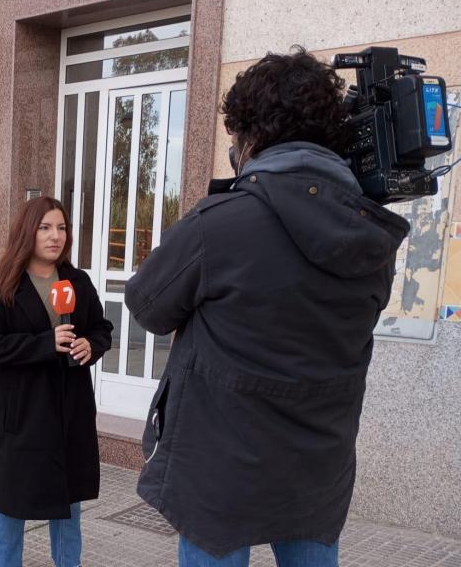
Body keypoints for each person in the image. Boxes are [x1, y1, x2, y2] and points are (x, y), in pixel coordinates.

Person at [126, 48, 410, 566]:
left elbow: (147, 306)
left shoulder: (221, 224)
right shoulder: (372, 234)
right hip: (318, 469)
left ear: (251, 137)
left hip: (219, 472)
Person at [0, 196, 113, 567]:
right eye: (45, 227)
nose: (56, 236)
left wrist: (91, 345)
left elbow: (101, 328)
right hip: (22, 418)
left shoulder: (76, 282)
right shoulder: (2, 286)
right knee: (10, 507)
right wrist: (44, 344)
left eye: (61, 228)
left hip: (69, 414)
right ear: (27, 232)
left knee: (68, 506)